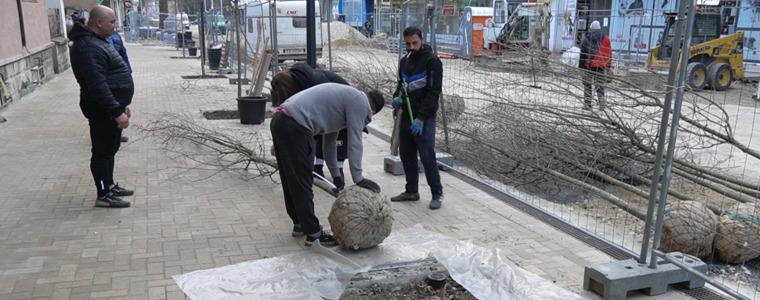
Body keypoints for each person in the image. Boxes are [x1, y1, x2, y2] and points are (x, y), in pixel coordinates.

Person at [271, 83, 384, 246]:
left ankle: (300, 224)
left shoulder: (342, 101)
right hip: (296, 125)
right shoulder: (360, 102)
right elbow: (355, 142)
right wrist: (358, 178)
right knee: (302, 182)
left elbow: (329, 145)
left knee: (292, 180)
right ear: (372, 111)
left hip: (281, 120)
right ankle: (314, 234)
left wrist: (336, 175)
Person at [70, 5, 134, 208]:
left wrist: (121, 105)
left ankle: (110, 184)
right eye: (113, 21)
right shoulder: (88, 47)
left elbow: (110, 77)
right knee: (102, 152)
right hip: (102, 110)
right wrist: (116, 111)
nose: (116, 25)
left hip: (111, 107)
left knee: (111, 148)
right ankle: (103, 194)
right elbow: (97, 85)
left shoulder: (97, 42)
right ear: (99, 23)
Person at [390, 26, 444, 210]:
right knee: (407, 154)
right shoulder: (404, 61)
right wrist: (396, 98)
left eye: (414, 43)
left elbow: (433, 92)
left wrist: (421, 118)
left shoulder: (433, 62)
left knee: (427, 155)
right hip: (406, 115)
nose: (411, 47)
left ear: (421, 39)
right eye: (407, 44)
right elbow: (401, 85)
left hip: (424, 118)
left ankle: (437, 193)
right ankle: (411, 191)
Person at [271, 63, 352, 181]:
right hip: (327, 108)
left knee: (331, 140)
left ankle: (336, 170)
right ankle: (318, 167)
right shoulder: (299, 82)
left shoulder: (313, 84)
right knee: (316, 136)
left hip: (340, 107)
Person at [579, 20, 612, 110]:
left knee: (587, 85)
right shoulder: (606, 38)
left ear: (591, 28)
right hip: (601, 66)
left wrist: (581, 66)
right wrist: (608, 66)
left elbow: (583, 53)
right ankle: (602, 105)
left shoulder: (586, 38)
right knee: (600, 86)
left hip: (588, 66)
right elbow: (609, 53)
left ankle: (587, 105)